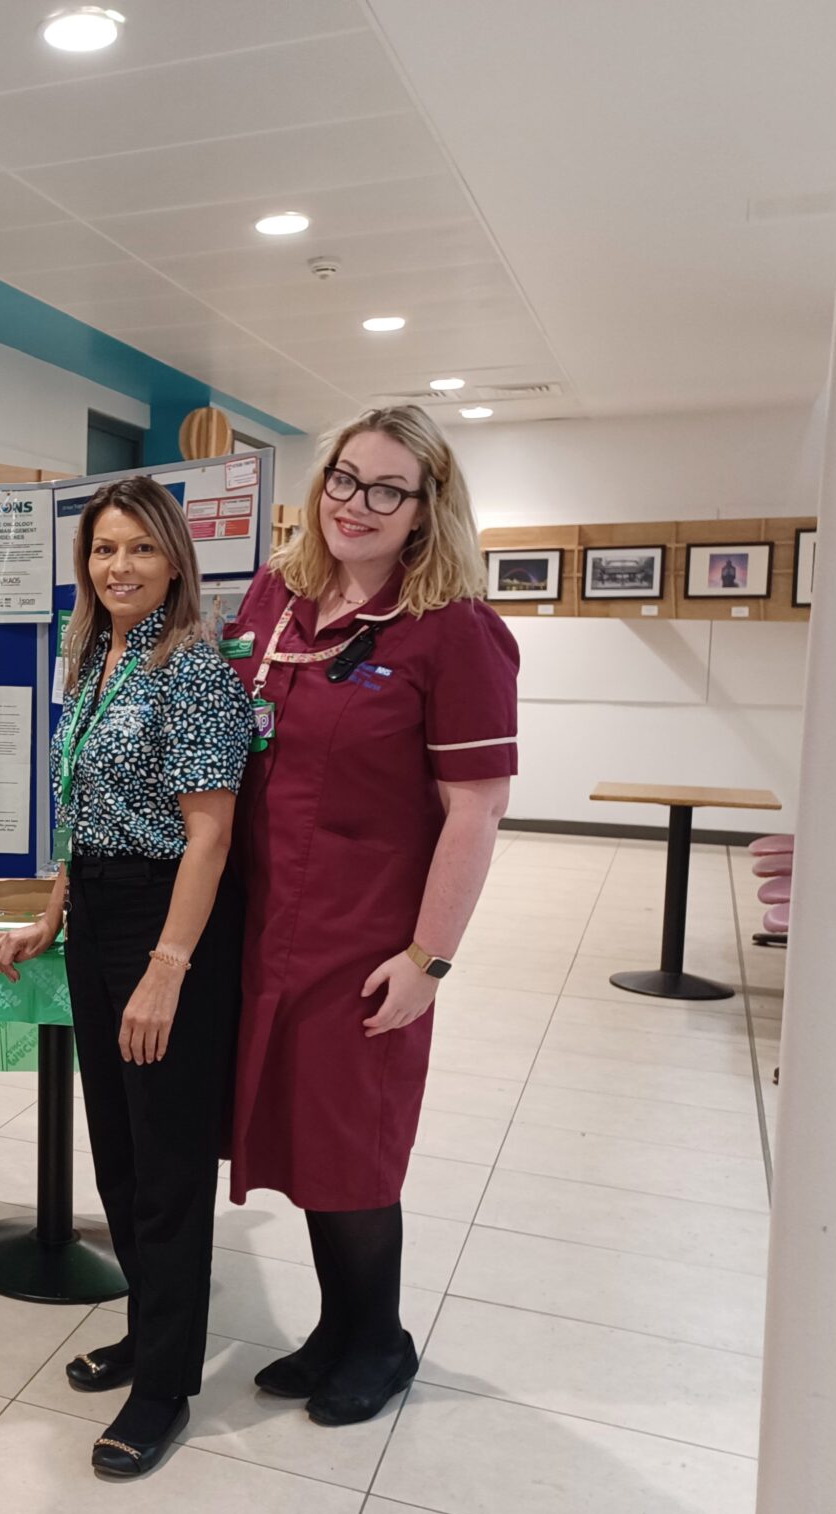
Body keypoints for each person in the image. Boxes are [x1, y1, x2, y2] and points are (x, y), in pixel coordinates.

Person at [223, 404, 517, 1427]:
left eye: (385, 488)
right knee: (299, 1137)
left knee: (352, 1147)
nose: (354, 504)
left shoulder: (454, 633)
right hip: (264, 927)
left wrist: (427, 958)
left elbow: (474, 809)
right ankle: (332, 1330)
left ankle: (379, 1339)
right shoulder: (274, 599)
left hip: (365, 939)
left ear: (426, 508)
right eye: (344, 478)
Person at [0, 476, 250, 1479]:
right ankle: (149, 1333)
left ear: (175, 558)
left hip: (164, 919)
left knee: (169, 1165)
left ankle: (164, 1386)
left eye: (140, 548)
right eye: (103, 549)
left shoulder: (191, 669)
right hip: (99, 909)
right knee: (120, 1156)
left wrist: (165, 971)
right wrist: (49, 914)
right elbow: (77, 809)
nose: (119, 566)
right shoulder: (94, 657)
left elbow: (210, 832)